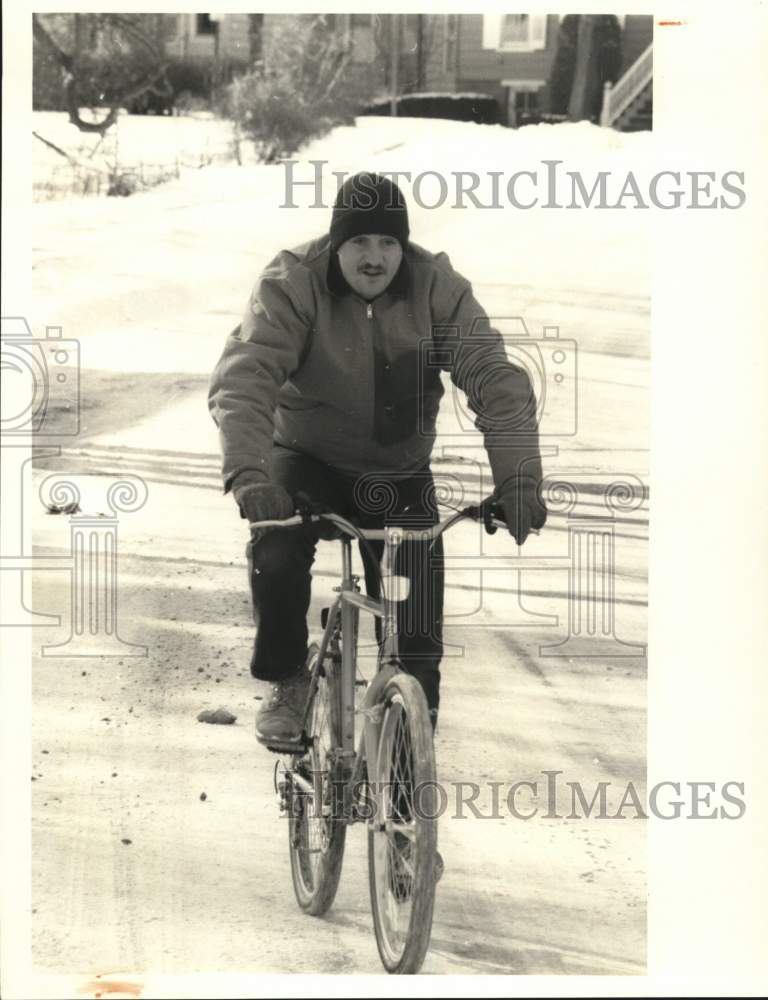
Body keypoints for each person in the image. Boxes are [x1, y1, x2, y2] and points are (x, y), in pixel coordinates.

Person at [208, 172, 547, 746]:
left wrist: (517, 481)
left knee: (416, 632)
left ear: (403, 246)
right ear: (336, 243)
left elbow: (496, 380)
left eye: (388, 242)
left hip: (399, 474)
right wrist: (250, 474)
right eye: (360, 242)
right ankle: (289, 677)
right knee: (279, 549)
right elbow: (247, 378)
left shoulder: (436, 288)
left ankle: (408, 778)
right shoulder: (293, 283)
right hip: (306, 458)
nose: (374, 257)